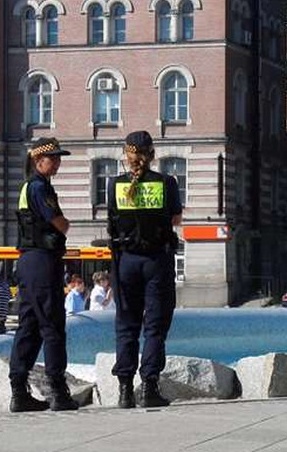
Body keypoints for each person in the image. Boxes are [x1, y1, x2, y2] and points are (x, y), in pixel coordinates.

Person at [107, 131, 183, 409]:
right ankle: (149, 386)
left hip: (125, 261)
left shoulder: (115, 184)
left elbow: (113, 218)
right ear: (152, 154)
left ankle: (125, 390)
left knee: (126, 325)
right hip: (156, 260)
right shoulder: (166, 183)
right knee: (155, 326)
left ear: (127, 156)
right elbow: (175, 217)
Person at [9, 137, 78, 412]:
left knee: (29, 326)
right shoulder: (39, 187)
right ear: (39, 161)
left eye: (59, 158)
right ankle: (58, 391)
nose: (58, 162)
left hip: (29, 261)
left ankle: (19, 390)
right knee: (52, 326)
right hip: (41, 260)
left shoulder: (31, 186)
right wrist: (65, 225)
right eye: (54, 158)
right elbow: (60, 223)